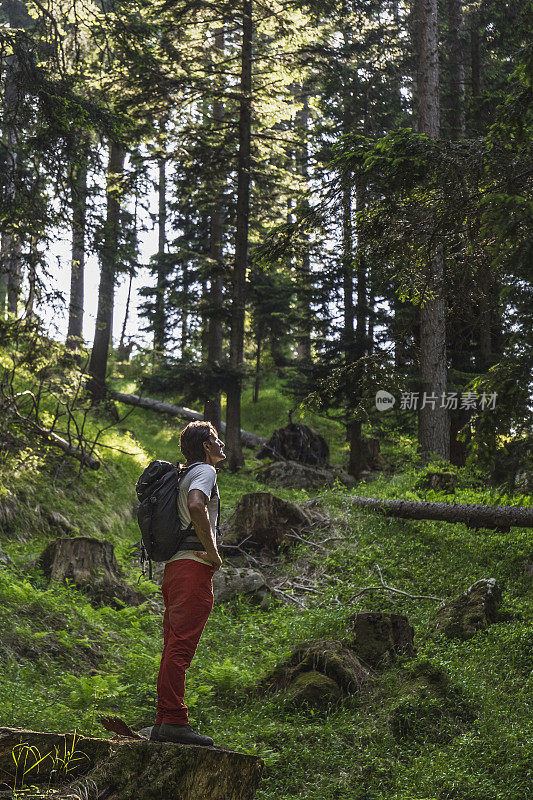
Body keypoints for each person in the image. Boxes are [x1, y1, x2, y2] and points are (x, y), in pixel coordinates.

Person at [151, 421, 225, 746]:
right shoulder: (205, 472)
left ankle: (163, 721)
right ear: (206, 446)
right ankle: (174, 721)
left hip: (173, 569)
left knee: (172, 645)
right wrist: (214, 553)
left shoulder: (184, 474)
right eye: (215, 439)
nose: (221, 443)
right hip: (193, 568)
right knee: (180, 647)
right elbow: (197, 506)